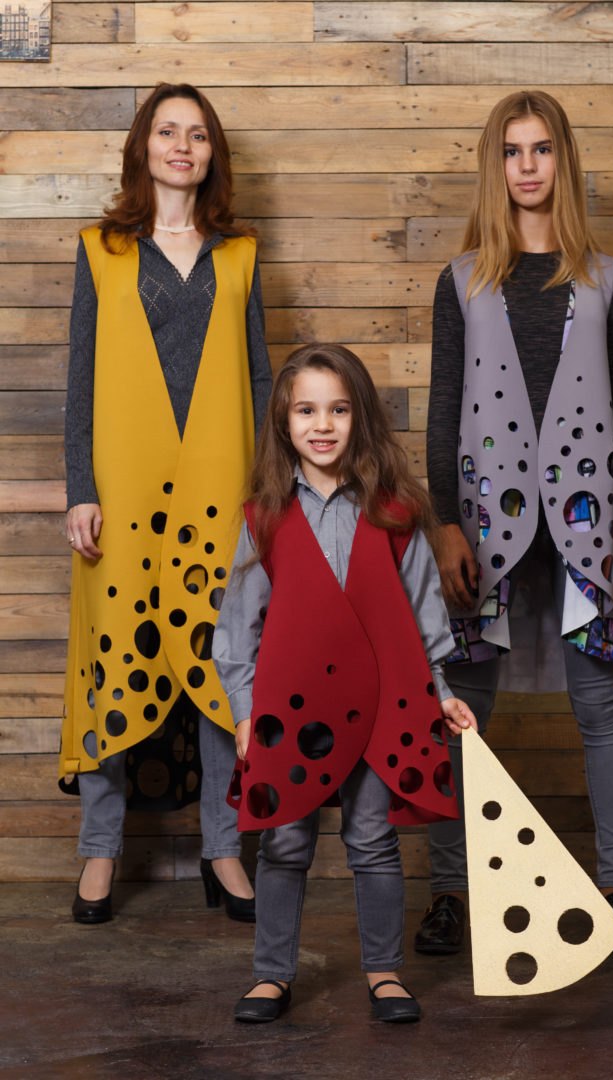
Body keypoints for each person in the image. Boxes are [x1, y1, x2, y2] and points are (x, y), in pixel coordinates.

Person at [414, 90, 613, 957]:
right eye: (512, 151)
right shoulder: (463, 280)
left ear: (563, 160)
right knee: (462, 706)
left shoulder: (606, 278)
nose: (527, 166)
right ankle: (450, 892)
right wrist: (445, 524)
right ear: (495, 165)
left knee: (601, 705)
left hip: (587, 522)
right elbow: (444, 409)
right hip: (487, 522)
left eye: (542, 149)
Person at [212, 344, 478, 1024]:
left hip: (381, 703)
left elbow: (422, 613)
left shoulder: (396, 512)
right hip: (287, 710)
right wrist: (243, 713)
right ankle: (272, 975)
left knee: (372, 841)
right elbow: (237, 629)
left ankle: (385, 974)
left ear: (361, 418)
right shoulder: (262, 516)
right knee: (284, 842)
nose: (322, 424)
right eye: (306, 410)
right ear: (284, 421)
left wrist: (441, 690)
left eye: (338, 409)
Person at [60, 82, 272, 925]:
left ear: (213, 154)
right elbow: (80, 381)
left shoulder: (239, 255)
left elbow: (261, 379)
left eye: (198, 134)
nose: (182, 146)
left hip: (223, 488)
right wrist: (81, 489)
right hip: (124, 489)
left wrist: (270, 491)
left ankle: (224, 849)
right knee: (114, 659)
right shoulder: (100, 250)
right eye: (167, 131)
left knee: (222, 666)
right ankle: (100, 851)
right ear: (143, 147)